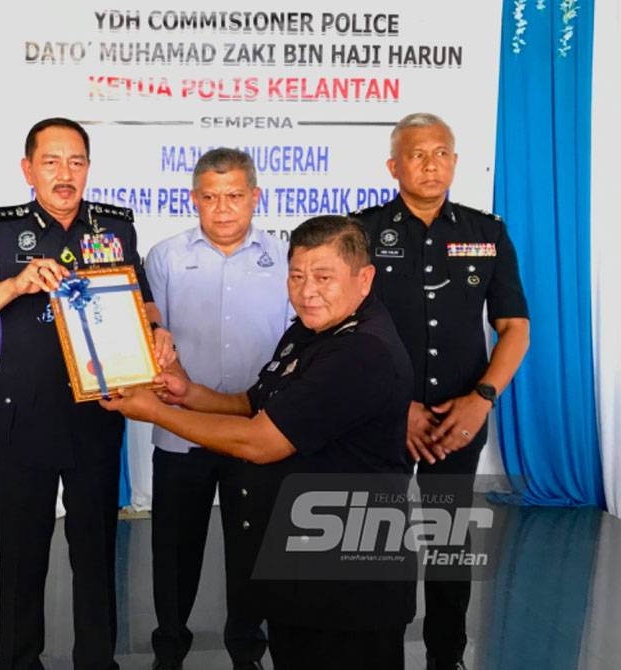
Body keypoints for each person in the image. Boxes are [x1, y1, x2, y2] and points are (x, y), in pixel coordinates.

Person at [103, 215, 416, 668]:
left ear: (363, 279)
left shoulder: (361, 352)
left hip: (349, 580)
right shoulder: (309, 333)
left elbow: (261, 442)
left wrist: (154, 411)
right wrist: (185, 392)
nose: (307, 291)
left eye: (324, 277)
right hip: (306, 566)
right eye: (297, 276)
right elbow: (254, 404)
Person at [0, 117, 175, 670]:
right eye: (51, 162)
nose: (64, 173)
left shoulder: (115, 228)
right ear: (28, 169)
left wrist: (156, 329)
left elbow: (142, 302)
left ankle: (97, 661)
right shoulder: (1, 231)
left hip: (94, 418)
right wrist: (16, 283)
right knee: (22, 561)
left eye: (76, 161)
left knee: (95, 558)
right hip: (23, 417)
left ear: (88, 169)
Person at [351, 112, 530, 670]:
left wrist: (483, 399)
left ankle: (446, 657)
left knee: (449, 545)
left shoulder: (486, 233)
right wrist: (391, 406)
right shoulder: (359, 232)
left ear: (455, 160)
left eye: (441, 153)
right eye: (417, 154)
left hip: (459, 418)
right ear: (393, 166)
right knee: (373, 544)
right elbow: (339, 325)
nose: (431, 164)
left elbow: (515, 328)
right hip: (380, 419)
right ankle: (375, 654)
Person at [143, 148, 290, 670]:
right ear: (194, 199)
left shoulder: (285, 259)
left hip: (256, 432)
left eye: (234, 196)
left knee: (251, 554)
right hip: (182, 432)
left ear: (255, 196)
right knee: (174, 552)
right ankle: (170, 650)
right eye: (210, 197)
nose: (222, 208)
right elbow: (148, 331)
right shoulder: (162, 257)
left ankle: (247, 653)